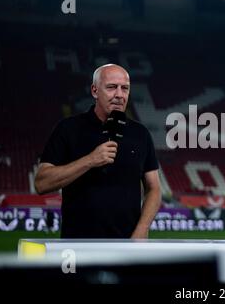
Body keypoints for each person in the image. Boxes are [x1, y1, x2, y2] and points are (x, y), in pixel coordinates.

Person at [34, 64, 161, 238]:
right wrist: (90, 160)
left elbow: (154, 189)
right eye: (111, 87)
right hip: (78, 246)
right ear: (94, 91)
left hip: (127, 247)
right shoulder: (68, 129)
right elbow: (41, 183)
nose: (119, 95)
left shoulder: (140, 134)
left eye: (124, 88)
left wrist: (142, 230)